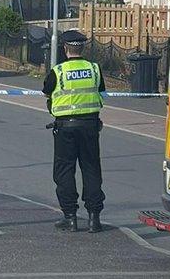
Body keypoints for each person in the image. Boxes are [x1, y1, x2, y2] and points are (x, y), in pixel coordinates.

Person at [43, 30, 106, 233]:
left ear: (65, 48)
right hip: (90, 126)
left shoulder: (58, 71)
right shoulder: (94, 69)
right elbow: (102, 93)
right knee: (91, 169)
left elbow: (47, 91)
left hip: (65, 128)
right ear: (82, 48)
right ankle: (94, 218)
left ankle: (70, 217)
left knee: (64, 171)